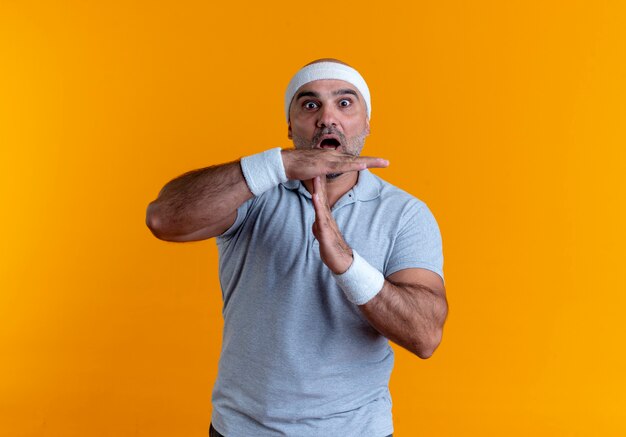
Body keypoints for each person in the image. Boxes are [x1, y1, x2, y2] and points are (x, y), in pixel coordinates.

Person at [146, 58, 448, 437]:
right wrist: (279, 165)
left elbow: (424, 336)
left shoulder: (405, 214)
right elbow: (164, 219)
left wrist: (347, 264)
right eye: (310, 105)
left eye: (345, 103)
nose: (327, 118)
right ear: (290, 126)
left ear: (367, 123)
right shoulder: (252, 194)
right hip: (242, 429)